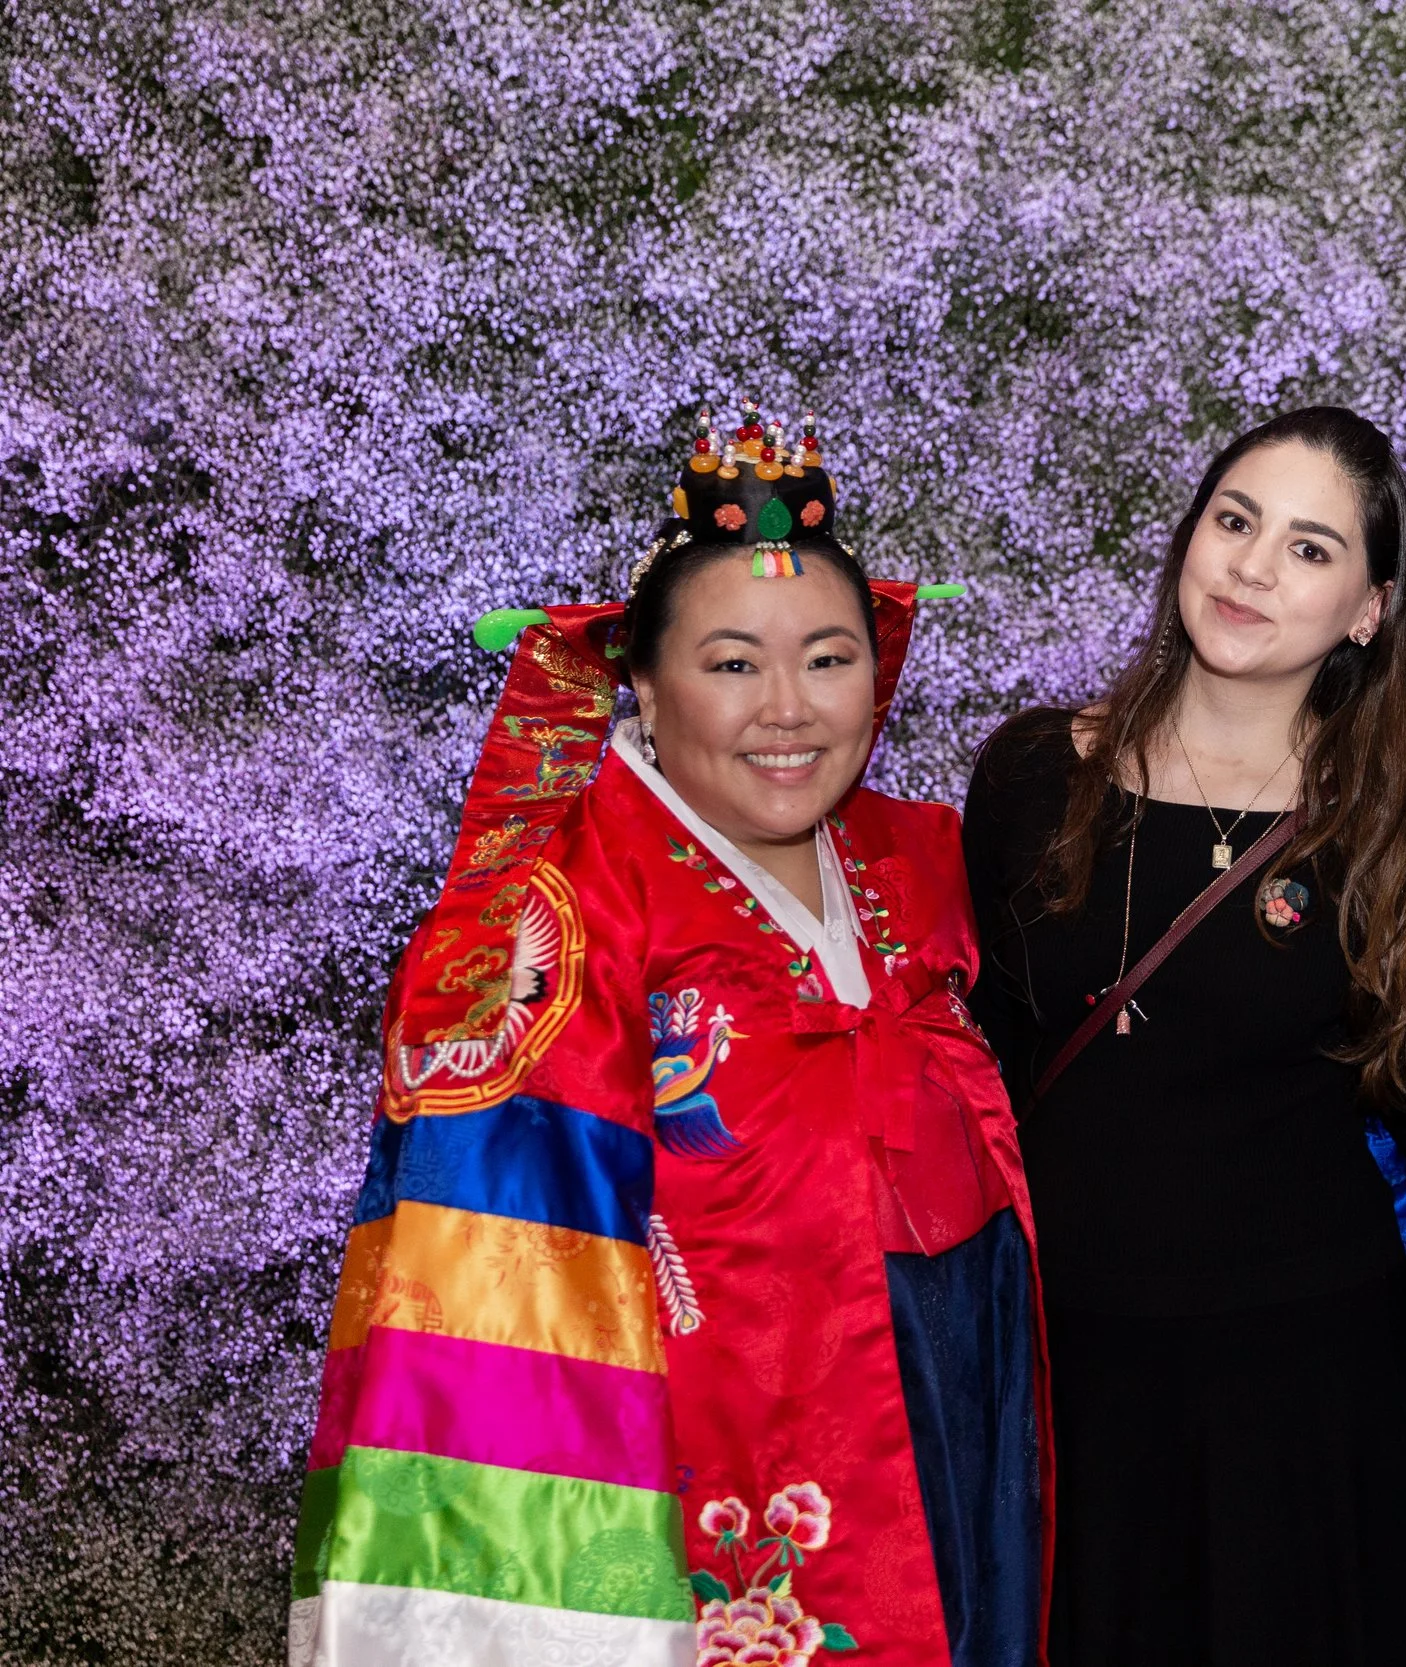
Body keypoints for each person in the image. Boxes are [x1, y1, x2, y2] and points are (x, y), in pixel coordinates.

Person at [292, 408, 1046, 1667]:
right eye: (733, 663)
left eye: (829, 657)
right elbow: (501, 1271)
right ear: (640, 676)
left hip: (964, 1382)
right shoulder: (569, 906)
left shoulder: (918, 856)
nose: (789, 709)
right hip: (716, 1447)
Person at [960, 406, 1406, 1667]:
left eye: (1307, 547)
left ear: (1366, 608)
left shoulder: (1402, 827)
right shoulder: (1028, 776)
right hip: (1066, 1368)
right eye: (1234, 521)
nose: (1249, 566)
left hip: (1299, 1380)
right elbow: (978, 1064)